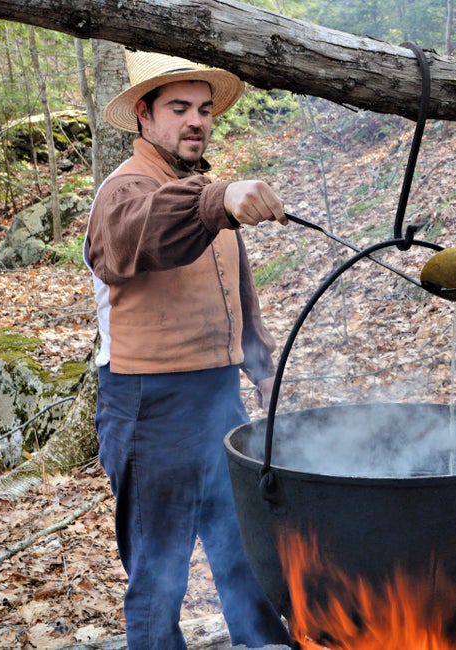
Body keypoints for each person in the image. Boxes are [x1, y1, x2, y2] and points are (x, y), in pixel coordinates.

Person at [83, 49, 291, 649]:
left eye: (203, 109)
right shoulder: (121, 195)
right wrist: (217, 199)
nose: (195, 121)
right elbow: (140, 235)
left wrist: (262, 369)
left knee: (244, 554)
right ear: (144, 117)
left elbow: (238, 298)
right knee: (159, 577)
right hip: (150, 406)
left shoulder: (206, 196)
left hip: (220, 399)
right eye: (179, 109)